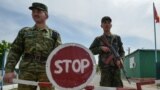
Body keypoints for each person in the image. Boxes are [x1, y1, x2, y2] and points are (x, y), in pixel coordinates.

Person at [4, 2, 61, 90]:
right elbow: (15, 51)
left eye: (38, 11)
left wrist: (60, 73)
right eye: (33, 11)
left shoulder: (54, 34)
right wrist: (9, 70)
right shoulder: (24, 32)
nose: (35, 13)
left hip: (47, 71)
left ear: (46, 15)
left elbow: (59, 55)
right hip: (27, 70)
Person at [89, 16, 125, 87]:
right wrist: (100, 48)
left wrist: (121, 59)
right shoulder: (98, 39)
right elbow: (90, 50)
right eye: (104, 22)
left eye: (108, 23)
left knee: (118, 87)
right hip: (105, 70)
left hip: (116, 69)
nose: (107, 24)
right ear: (101, 25)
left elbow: (122, 52)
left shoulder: (117, 38)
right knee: (105, 88)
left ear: (111, 25)